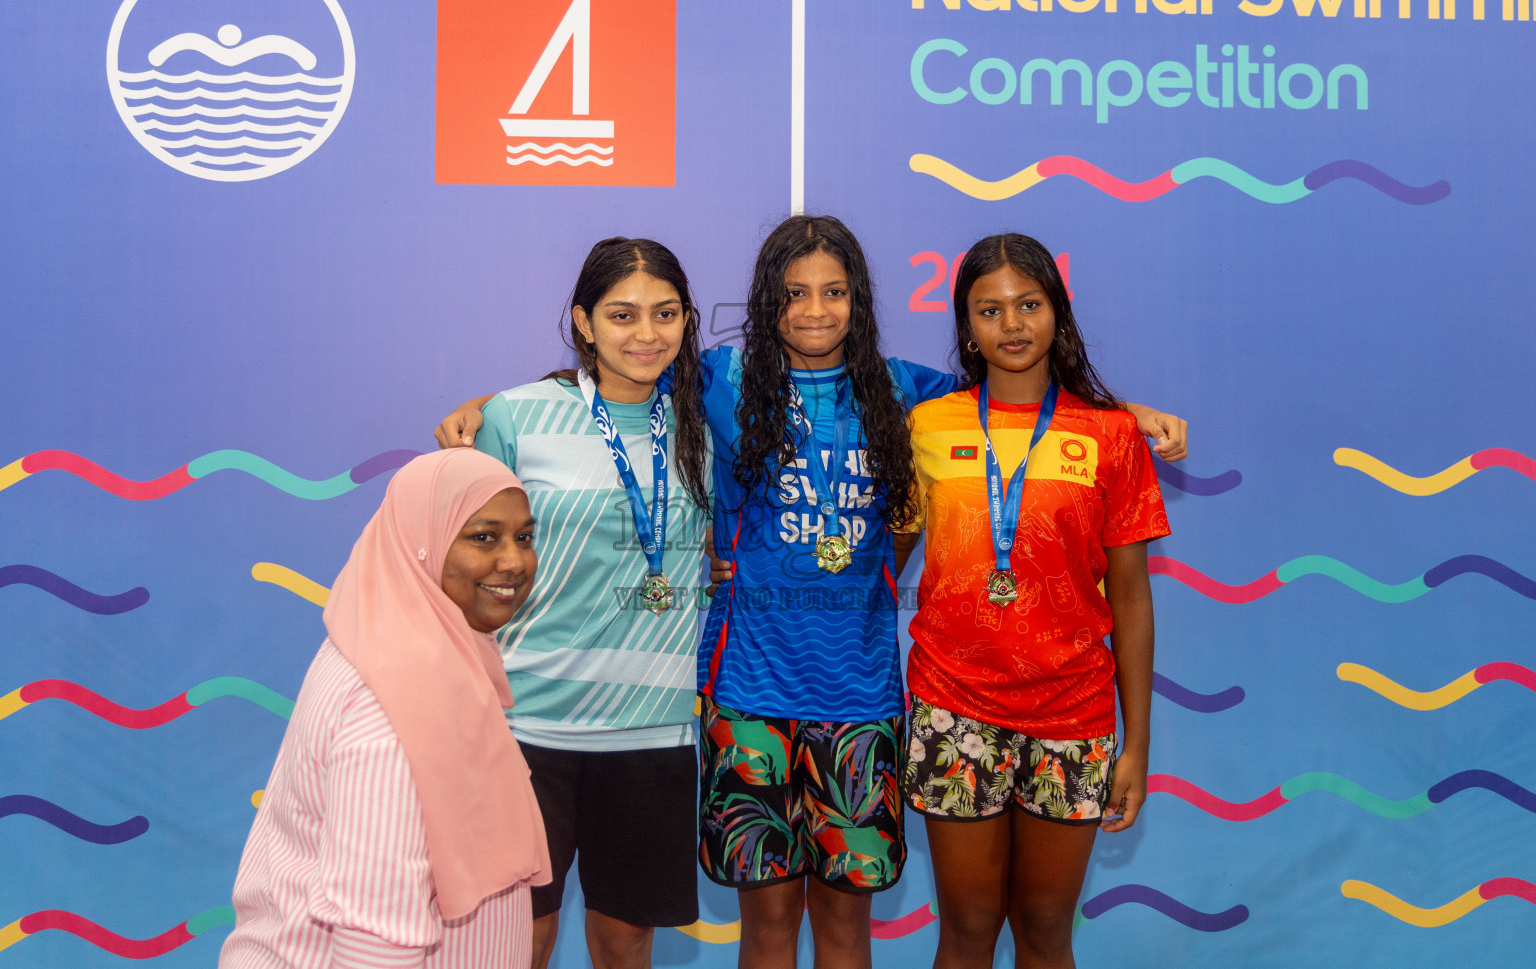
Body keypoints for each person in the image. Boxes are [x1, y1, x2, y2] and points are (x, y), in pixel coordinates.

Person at [436, 216, 1185, 969]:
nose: (816, 311)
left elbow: (1012, 404)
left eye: (834, 292)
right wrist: (490, 405)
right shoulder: (722, 379)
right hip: (747, 700)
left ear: (858, 299)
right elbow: (618, 375)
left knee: (843, 928)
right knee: (766, 929)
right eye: (795, 294)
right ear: (768, 301)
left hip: (860, 700)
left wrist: (1125, 416)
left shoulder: (904, 393)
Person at [435, 237, 713, 969]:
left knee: (625, 945)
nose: (646, 334)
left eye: (665, 314)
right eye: (622, 315)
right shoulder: (515, 418)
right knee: (519, 942)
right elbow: (462, 564)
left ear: (687, 321)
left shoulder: (707, 424)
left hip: (651, 733)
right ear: (583, 322)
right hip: (527, 728)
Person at [898, 233, 1167, 969]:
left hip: (1073, 716)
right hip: (953, 707)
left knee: (1047, 930)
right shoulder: (926, 424)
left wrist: (1135, 744)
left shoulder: (1112, 436)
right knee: (967, 930)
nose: (1011, 324)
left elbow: (1133, 600)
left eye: (1029, 304)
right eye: (990, 309)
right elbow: (877, 559)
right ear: (966, 327)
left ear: (1058, 314)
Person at [220, 448, 551, 969]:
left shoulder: (400, 644)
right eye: (483, 537)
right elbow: (375, 938)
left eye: (524, 537)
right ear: (421, 543)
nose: (514, 561)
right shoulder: (397, 707)